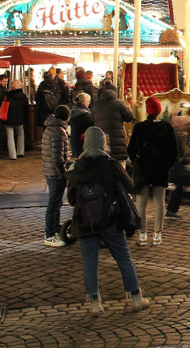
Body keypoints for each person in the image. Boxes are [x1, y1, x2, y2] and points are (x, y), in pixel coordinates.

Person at [66, 126, 149, 315]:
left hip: (84, 221)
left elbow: (71, 199)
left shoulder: (76, 167)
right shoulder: (110, 163)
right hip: (109, 218)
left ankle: (95, 303)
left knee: (89, 263)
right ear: (102, 143)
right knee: (123, 258)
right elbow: (130, 186)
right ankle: (136, 298)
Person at [127, 96, 178, 246]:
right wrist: (167, 165)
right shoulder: (167, 127)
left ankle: (142, 234)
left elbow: (131, 149)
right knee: (159, 203)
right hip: (160, 170)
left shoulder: (139, 127)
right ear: (159, 111)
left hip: (143, 169)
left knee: (141, 203)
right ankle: (157, 234)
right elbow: (174, 151)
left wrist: (137, 161)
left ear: (147, 111)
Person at [42, 105, 70, 247]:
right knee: (54, 203)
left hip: (49, 171)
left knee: (56, 202)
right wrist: (63, 173)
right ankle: (50, 234)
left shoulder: (49, 128)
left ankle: (55, 228)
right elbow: (57, 157)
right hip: (55, 173)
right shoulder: (59, 132)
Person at [91, 85, 135, 163]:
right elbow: (129, 117)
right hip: (118, 145)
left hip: (101, 143)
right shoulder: (120, 103)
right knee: (119, 169)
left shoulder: (96, 104)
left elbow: (91, 121)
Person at [3, 79, 29, 160]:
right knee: (20, 134)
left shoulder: (7, 95)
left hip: (8, 118)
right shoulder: (23, 96)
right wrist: (25, 119)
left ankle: (12, 155)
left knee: (10, 136)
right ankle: (20, 152)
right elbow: (26, 109)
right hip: (19, 118)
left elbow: (1, 104)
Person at [69, 93, 94, 159]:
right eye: (88, 101)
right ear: (84, 102)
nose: (89, 104)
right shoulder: (84, 114)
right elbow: (93, 123)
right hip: (82, 141)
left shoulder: (74, 111)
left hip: (74, 139)